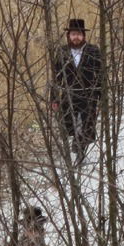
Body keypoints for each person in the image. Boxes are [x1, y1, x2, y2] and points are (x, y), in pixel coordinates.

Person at [50, 19, 103, 162]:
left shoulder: (93, 51)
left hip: (89, 95)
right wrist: (54, 98)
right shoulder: (62, 52)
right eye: (73, 34)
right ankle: (76, 142)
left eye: (78, 34)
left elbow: (100, 75)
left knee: (86, 125)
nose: (76, 37)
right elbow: (56, 76)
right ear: (68, 35)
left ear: (84, 35)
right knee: (71, 124)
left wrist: (101, 97)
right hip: (69, 95)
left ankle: (80, 153)